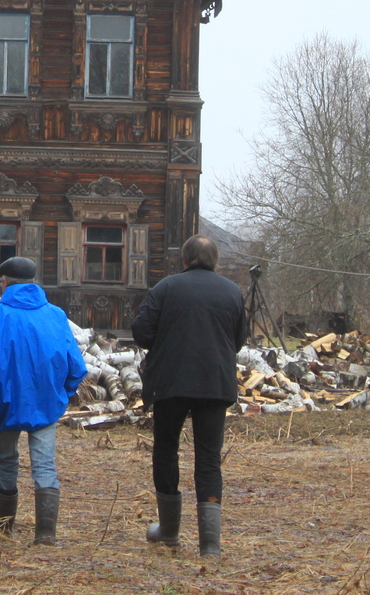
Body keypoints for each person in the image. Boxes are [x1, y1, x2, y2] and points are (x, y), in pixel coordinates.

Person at [131, 234, 247, 559]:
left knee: (166, 450)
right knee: (209, 458)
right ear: (215, 261)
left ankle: (168, 532)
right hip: (215, 383)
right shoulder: (233, 292)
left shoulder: (165, 288)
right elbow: (238, 341)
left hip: (170, 383)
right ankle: (210, 545)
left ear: (184, 260)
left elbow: (140, 333)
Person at [0, 256, 86, 546]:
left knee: (5, 460)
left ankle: (5, 527)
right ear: (34, 281)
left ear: (5, 282)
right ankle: (46, 534)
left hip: (3, 404)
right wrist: (61, 394)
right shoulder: (56, 315)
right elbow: (76, 365)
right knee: (44, 465)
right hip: (46, 403)